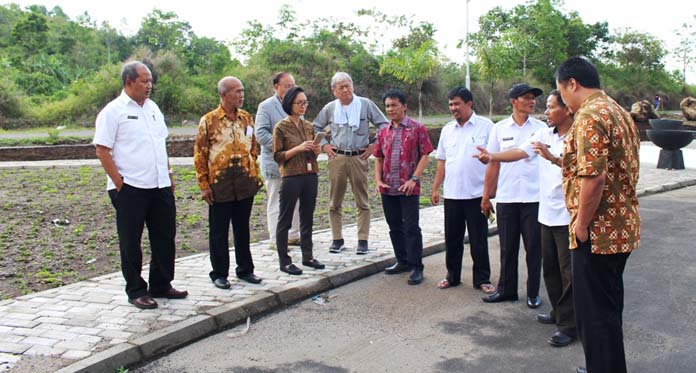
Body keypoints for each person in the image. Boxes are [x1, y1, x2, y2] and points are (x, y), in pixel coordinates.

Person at [556, 56, 640, 373]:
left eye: (561, 91)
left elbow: (594, 178)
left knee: (593, 313)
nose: (562, 98)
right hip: (622, 227)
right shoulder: (617, 111)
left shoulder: (590, 116)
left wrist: (580, 225)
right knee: (607, 307)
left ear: (572, 84)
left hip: (598, 232)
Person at [474, 90, 576, 347]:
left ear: (567, 109)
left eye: (551, 107)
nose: (545, 110)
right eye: (548, 106)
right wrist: (492, 156)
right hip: (546, 214)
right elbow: (519, 152)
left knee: (567, 272)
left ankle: (570, 324)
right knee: (550, 268)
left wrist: (552, 158)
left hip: (565, 214)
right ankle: (557, 312)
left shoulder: (577, 136)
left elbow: (580, 168)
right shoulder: (543, 134)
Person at [93, 61, 187, 309]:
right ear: (129, 82)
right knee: (131, 242)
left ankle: (161, 284)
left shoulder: (154, 108)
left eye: (150, 81)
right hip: (130, 187)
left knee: (165, 237)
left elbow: (161, 144)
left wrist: (168, 174)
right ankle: (136, 290)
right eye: (144, 81)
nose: (149, 85)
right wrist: (119, 182)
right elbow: (102, 149)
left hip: (159, 184)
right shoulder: (113, 111)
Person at [478, 83, 546, 309]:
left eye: (533, 98)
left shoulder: (540, 128)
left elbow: (516, 154)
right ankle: (506, 290)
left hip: (534, 198)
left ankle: (533, 293)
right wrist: (486, 196)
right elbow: (493, 164)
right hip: (507, 198)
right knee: (507, 248)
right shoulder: (499, 129)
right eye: (526, 97)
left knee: (534, 249)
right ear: (513, 101)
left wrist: (492, 157)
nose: (531, 101)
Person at [194, 77, 264, 289]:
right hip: (220, 184)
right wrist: (204, 185)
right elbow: (200, 154)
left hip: (244, 183)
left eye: (242, 91)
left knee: (242, 229)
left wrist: (253, 171)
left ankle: (245, 270)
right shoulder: (209, 120)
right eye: (236, 92)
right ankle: (219, 273)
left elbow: (253, 147)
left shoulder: (246, 118)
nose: (241, 95)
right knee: (219, 231)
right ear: (224, 95)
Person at [313, 72, 388, 255]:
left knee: (362, 200)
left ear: (353, 86)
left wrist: (374, 145)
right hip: (337, 158)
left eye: (348, 85)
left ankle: (363, 240)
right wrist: (324, 146)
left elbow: (384, 125)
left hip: (358, 157)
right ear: (334, 91)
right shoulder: (330, 108)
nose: (346, 90)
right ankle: (337, 239)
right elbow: (316, 126)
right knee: (334, 202)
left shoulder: (365, 104)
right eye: (341, 87)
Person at [430, 87, 495, 294]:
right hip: (452, 195)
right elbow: (442, 161)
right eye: (450, 104)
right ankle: (452, 276)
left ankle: (482, 279)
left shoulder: (486, 127)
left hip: (477, 195)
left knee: (478, 240)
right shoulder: (447, 129)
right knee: (452, 239)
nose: (453, 108)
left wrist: (489, 193)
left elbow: (494, 162)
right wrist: (435, 188)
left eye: (457, 103)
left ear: (469, 103)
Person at [374, 90, 433, 285]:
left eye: (394, 105)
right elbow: (379, 157)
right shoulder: (383, 131)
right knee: (394, 227)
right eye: (388, 106)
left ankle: (416, 266)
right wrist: (378, 180)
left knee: (411, 228)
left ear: (404, 106)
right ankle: (402, 260)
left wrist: (414, 179)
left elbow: (425, 154)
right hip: (387, 188)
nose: (390, 109)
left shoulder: (417, 128)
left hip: (408, 188)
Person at [272, 87, 325, 275]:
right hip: (291, 176)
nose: (303, 106)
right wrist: (298, 148)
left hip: (310, 174)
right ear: (289, 104)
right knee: (285, 219)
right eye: (299, 103)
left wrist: (316, 150)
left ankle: (308, 256)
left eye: (305, 102)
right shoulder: (281, 127)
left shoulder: (309, 126)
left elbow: (312, 152)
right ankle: (284, 261)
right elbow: (278, 156)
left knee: (307, 216)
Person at [255, 72, 301, 247]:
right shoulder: (266, 106)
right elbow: (260, 134)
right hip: (275, 162)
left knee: (295, 199)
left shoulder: (296, 105)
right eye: (287, 86)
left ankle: (293, 235)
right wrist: (282, 147)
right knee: (276, 200)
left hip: (295, 163)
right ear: (276, 87)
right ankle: (276, 239)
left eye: (293, 85)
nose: (291, 89)